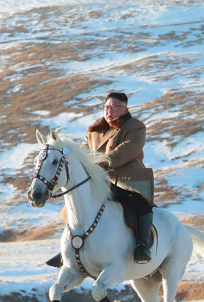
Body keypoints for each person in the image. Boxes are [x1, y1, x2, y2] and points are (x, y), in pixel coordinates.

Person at [46, 92, 154, 267]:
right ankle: (71, 247)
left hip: (126, 179)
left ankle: (142, 245)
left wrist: (103, 162)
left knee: (139, 205)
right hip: (98, 180)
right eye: (106, 107)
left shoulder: (135, 127)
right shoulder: (94, 130)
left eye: (114, 107)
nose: (109, 111)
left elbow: (128, 149)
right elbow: (83, 151)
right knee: (75, 206)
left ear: (125, 109)